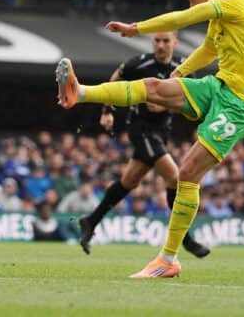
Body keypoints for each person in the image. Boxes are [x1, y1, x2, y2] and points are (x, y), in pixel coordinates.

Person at [56, 0, 244, 278]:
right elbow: (209, 49)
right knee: (154, 88)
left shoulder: (232, 3)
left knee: (186, 173)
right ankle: (80, 92)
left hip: (243, 102)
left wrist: (136, 29)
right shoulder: (227, 13)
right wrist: (180, 72)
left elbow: (181, 19)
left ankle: (168, 259)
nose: (191, 4)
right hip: (220, 86)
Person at [76, 31, 210, 258]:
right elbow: (116, 78)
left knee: (130, 180)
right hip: (140, 129)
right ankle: (185, 240)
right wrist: (107, 110)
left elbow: (191, 101)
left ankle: (90, 220)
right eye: (157, 41)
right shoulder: (140, 63)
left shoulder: (184, 67)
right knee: (175, 178)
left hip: (161, 133)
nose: (161, 45)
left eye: (166, 41)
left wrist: (168, 106)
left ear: (174, 43)